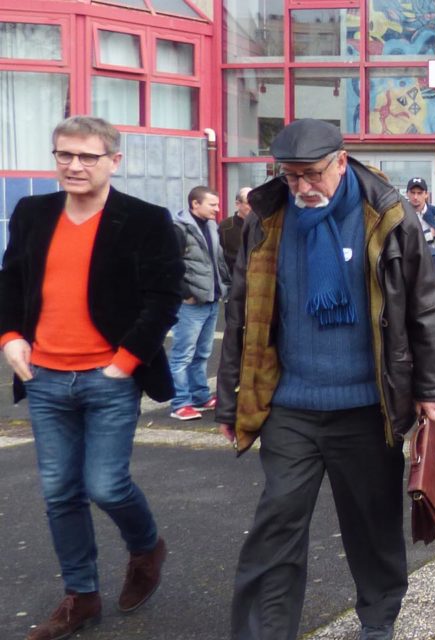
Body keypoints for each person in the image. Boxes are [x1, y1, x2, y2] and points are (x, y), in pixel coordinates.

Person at [215, 119, 435, 640]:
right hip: (291, 406)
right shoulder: (267, 218)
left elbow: (425, 305)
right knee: (276, 526)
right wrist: (229, 400)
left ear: (341, 162)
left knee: (372, 525)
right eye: (291, 175)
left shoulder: (388, 215)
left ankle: (377, 619)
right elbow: (243, 314)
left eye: (312, 174)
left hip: (367, 407)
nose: (302, 186)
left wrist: (432, 390)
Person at [0, 116, 182, 640]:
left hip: (110, 376)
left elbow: (164, 298)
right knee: (60, 492)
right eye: (64, 155)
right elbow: (11, 280)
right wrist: (10, 335)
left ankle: (146, 547)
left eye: (87, 156)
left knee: (105, 483)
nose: (74, 166)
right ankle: (81, 596)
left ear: (113, 161)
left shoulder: (145, 219)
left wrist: (124, 363)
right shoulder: (33, 212)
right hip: (46, 377)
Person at [168, 186, 231, 421]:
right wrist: (186, 294)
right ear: (195, 204)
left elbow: (218, 261)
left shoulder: (212, 227)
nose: (217, 208)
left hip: (211, 299)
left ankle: (199, 396)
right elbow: (169, 265)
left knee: (203, 353)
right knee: (183, 354)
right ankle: (180, 403)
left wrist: (224, 286)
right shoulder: (178, 229)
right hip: (192, 304)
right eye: (212, 204)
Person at [219, 186, 252, 269]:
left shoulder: (263, 225)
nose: (253, 206)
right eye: (249, 203)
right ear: (238, 204)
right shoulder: (225, 226)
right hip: (232, 277)